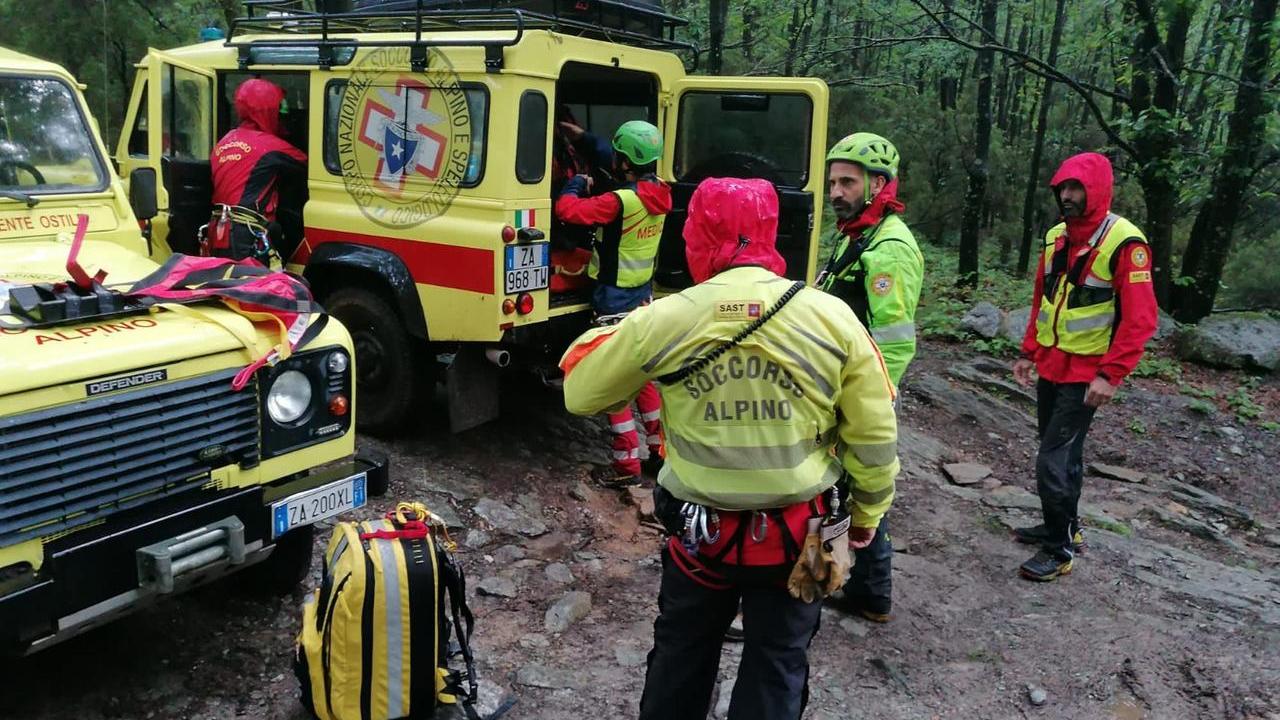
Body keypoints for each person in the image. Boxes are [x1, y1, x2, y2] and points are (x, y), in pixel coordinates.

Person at [560, 177, 900, 719]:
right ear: (771, 235)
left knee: (681, 657)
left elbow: (581, 392)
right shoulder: (834, 318)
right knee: (779, 663)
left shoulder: (666, 318)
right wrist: (866, 519)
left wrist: (623, 328)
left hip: (700, 541)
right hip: (802, 536)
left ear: (694, 234)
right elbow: (875, 437)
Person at [1012, 151, 1158, 581]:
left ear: (1097, 191)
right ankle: (1065, 529)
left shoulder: (1126, 244)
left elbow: (1140, 318)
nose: (1069, 196)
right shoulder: (1058, 236)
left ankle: (1058, 551)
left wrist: (1111, 374)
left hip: (1087, 373)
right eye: (1064, 188)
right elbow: (1043, 298)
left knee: (1051, 460)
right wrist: (1028, 352)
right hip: (1053, 364)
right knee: (1064, 454)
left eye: (1077, 188)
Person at [816, 132, 923, 622]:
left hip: (864, 391)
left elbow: (896, 339)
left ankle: (872, 593)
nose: (835, 191)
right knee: (847, 485)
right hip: (846, 383)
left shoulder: (890, 248)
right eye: (833, 181)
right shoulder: (860, 233)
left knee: (860, 488)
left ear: (878, 184)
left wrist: (871, 401)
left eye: (847, 182)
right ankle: (861, 588)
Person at [555, 120, 672, 485]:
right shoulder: (661, 193)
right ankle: (659, 452)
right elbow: (614, 155)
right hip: (642, 298)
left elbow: (568, 211)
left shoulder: (618, 202)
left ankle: (625, 466)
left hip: (613, 300)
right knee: (644, 377)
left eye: (619, 155)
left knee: (615, 381)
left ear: (625, 162)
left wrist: (577, 183)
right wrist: (583, 137)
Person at [209, 78, 307, 263]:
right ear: (268, 111)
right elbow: (310, 167)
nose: (281, 115)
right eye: (279, 110)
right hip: (249, 235)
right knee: (253, 289)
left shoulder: (223, 142)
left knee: (224, 286)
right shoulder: (270, 146)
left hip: (218, 230)